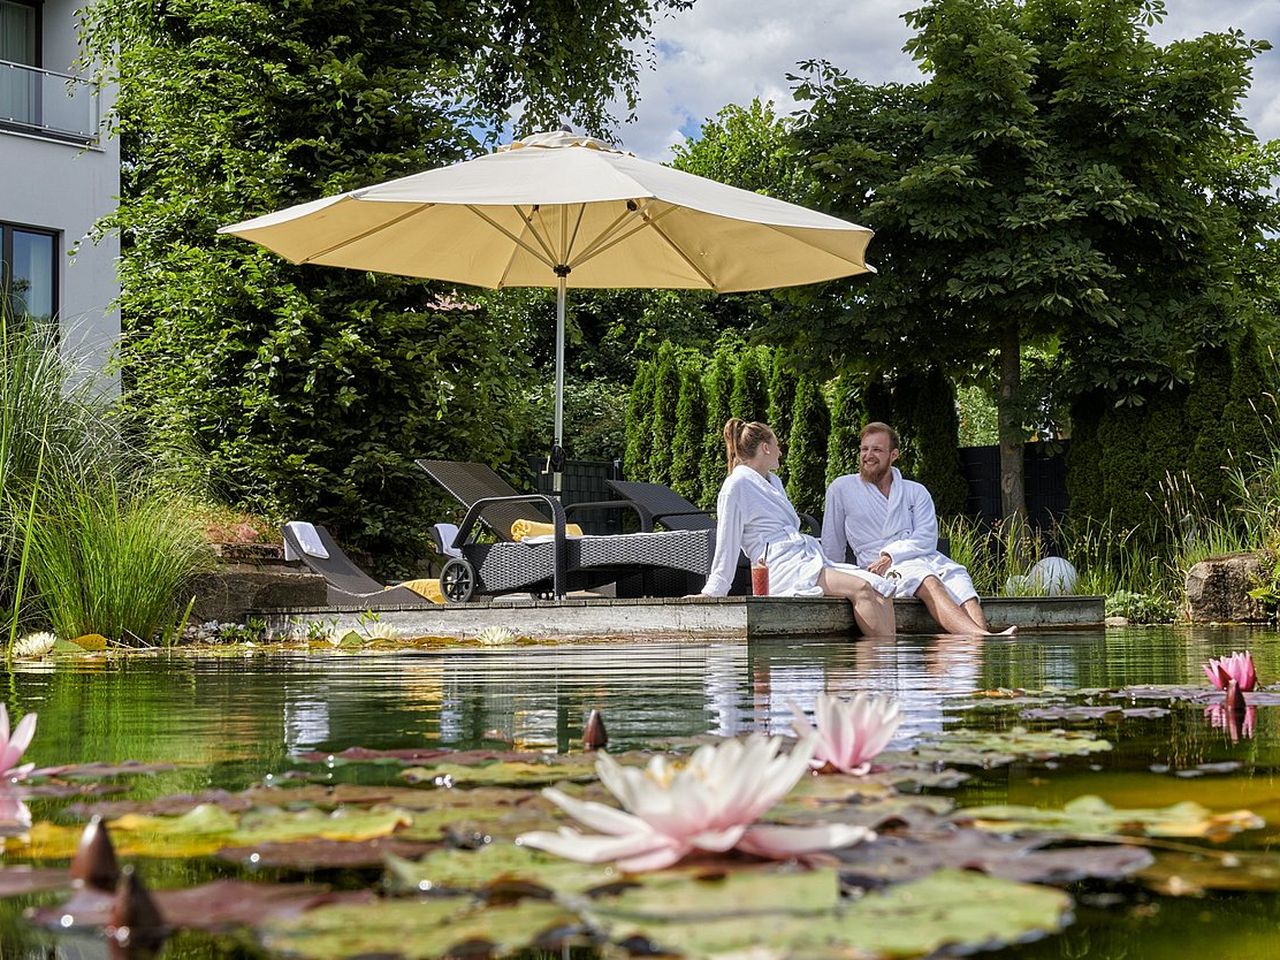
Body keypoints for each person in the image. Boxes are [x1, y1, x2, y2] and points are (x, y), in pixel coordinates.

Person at [698, 418, 896, 637]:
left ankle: (889, 667)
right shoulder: (736, 485)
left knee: (880, 586)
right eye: (776, 445)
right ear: (765, 447)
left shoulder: (774, 482)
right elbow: (728, 542)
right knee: (862, 589)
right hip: (781, 565)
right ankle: (881, 660)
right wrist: (714, 590)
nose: (779, 452)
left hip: (801, 557)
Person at [821, 422, 1014, 637]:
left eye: (877, 449)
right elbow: (832, 540)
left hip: (921, 556)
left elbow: (926, 537)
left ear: (894, 455)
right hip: (878, 567)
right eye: (864, 449)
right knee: (927, 579)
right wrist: (834, 581)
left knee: (959, 580)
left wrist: (891, 554)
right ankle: (982, 638)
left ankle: (978, 645)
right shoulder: (842, 488)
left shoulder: (916, 491)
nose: (868, 455)